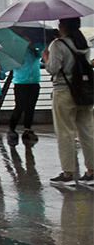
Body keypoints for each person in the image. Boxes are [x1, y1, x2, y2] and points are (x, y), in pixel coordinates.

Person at [44, 17, 94, 188]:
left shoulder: (59, 45)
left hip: (64, 92)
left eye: (60, 23)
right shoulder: (84, 43)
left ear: (63, 26)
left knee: (65, 133)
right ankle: (91, 173)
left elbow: (53, 69)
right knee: (87, 132)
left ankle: (68, 174)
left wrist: (46, 55)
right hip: (85, 93)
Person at [8, 37, 45, 142]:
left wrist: (34, 45)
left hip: (34, 82)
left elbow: (42, 52)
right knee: (19, 106)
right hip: (21, 82)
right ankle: (12, 128)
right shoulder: (17, 52)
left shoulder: (34, 51)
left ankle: (27, 129)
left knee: (31, 107)